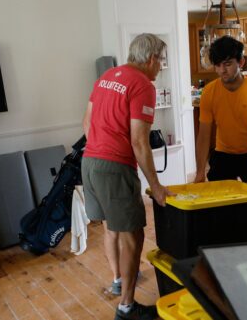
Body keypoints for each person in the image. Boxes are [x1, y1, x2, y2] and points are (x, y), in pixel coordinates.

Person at [82, 33, 172, 320]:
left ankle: (119, 280)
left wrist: (101, 148)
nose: (160, 68)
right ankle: (126, 307)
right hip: (114, 167)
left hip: (90, 161)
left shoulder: (107, 76)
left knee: (112, 227)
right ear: (151, 58)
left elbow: (86, 123)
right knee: (133, 235)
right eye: (161, 61)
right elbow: (139, 142)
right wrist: (156, 187)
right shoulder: (142, 84)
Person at [194, 36, 247, 237]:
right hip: (224, 154)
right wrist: (200, 171)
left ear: (241, 63)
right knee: (220, 204)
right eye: (217, 65)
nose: (222, 70)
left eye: (228, 64)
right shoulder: (209, 93)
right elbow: (204, 135)